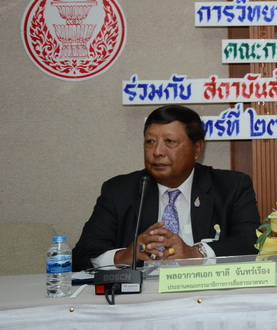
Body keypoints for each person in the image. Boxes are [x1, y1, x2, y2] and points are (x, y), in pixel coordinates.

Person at [73, 105, 261, 271]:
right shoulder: (118, 191)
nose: (157, 152)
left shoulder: (231, 186)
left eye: (170, 142)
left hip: (207, 292)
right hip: (140, 295)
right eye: (150, 142)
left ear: (197, 149)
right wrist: (123, 256)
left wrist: (196, 254)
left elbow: (251, 243)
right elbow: (82, 254)